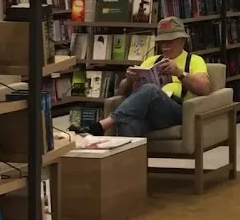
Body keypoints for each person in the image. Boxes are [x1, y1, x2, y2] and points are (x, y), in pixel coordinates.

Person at [82, 17, 212, 137]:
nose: (165, 47)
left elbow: (205, 88)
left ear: (182, 40)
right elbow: (121, 94)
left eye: (170, 42)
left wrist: (179, 73)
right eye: (162, 43)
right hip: (149, 113)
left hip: (176, 111)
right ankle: (129, 155)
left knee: (151, 89)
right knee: (128, 124)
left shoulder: (194, 60)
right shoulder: (152, 61)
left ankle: (104, 124)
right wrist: (129, 80)